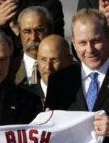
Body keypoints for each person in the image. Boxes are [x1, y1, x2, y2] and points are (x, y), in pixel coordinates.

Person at [45, 9, 109, 141]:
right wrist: (47, 124)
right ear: (73, 44)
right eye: (82, 43)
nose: (90, 50)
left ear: (107, 37)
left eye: (96, 41)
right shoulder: (58, 81)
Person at [9, 6, 53, 88]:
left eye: (39, 30)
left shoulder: (65, 67)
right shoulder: (7, 68)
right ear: (19, 32)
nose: (33, 38)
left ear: (50, 30)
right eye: (27, 31)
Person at [28, 34, 72, 100]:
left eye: (55, 60)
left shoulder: (81, 95)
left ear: (69, 60)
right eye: (44, 59)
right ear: (37, 59)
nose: (48, 67)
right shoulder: (24, 96)